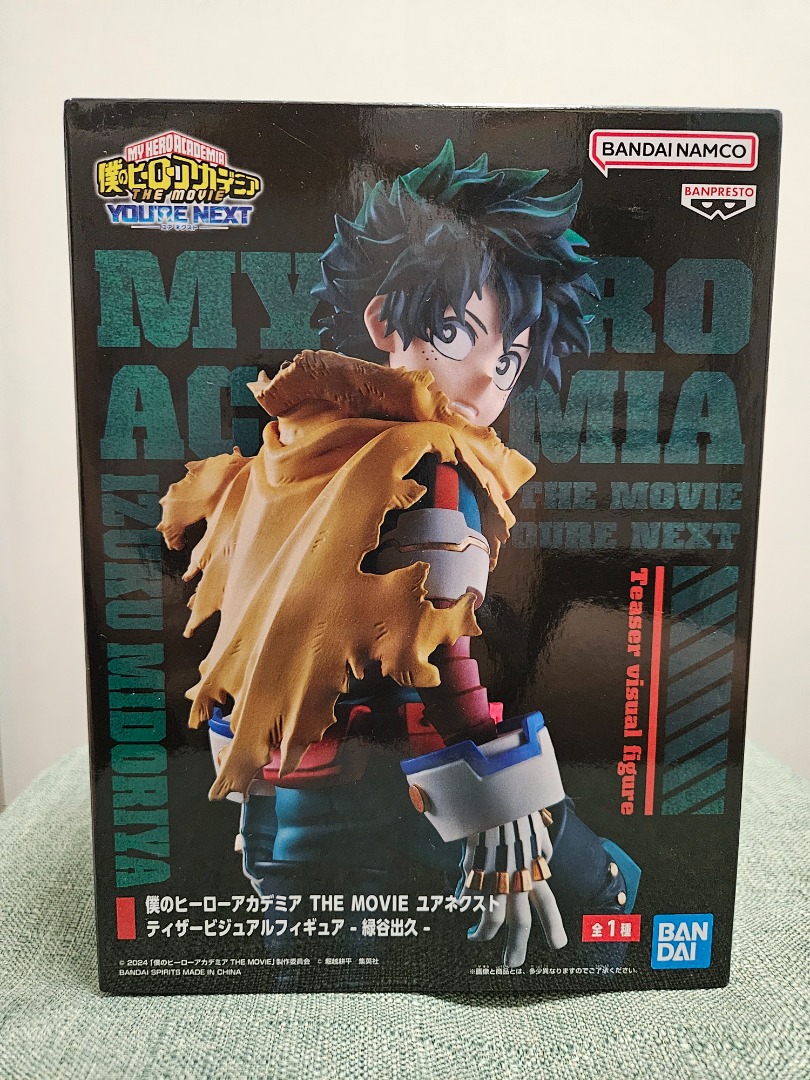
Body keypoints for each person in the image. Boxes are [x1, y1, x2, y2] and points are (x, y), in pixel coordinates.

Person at [159, 140, 639, 969]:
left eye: (510, 358)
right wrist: (498, 791)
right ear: (385, 322)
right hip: (404, 789)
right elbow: (436, 643)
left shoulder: (285, 447)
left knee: (310, 971)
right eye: (458, 333)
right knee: (601, 899)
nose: (485, 380)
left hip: (286, 789)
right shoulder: (426, 457)